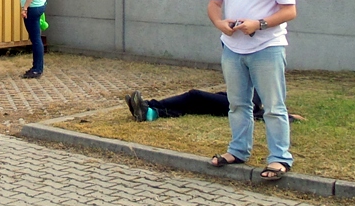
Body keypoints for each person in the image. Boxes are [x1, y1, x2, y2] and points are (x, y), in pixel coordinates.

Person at [205, 0, 297, 181]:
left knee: (273, 106)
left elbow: (289, 11)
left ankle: (279, 158)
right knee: (237, 104)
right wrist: (220, 23)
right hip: (232, 48)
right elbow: (214, 4)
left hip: (267, 47)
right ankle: (238, 150)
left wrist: (259, 24)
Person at [124, 89, 306, 123]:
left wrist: (289, 116)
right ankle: (151, 112)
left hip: (244, 105)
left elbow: (268, 111)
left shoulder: (263, 83)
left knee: (194, 96)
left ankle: (149, 106)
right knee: (194, 106)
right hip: (233, 99)